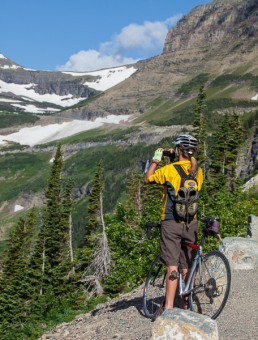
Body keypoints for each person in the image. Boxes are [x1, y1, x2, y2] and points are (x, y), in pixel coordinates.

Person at [144, 134, 203, 317]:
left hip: (171, 222)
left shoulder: (169, 170)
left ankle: (168, 308)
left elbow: (148, 178)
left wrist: (156, 159)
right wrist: (175, 155)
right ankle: (185, 306)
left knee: (172, 265)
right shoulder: (198, 171)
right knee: (186, 265)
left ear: (179, 150)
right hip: (191, 223)